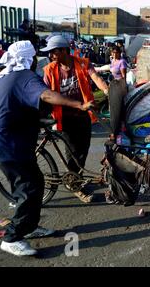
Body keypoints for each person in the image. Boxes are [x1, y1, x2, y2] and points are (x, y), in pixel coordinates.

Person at [0, 41, 94, 257]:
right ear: (29, 59)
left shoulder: (5, 75)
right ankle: (12, 237)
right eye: (34, 57)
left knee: (33, 185)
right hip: (11, 145)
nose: (36, 61)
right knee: (29, 189)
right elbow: (47, 95)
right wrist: (79, 105)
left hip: (9, 142)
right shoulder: (24, 77)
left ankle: (28, 227)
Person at [41, 35, 109, 203]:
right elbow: (45, 92)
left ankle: (75, 179)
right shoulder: (49, 69)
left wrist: (108, 91)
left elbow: (96, 78)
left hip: (83, 115)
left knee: (83, 150)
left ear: (63, 50)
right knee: (72, 153)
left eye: (53, 52)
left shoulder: (82, 63)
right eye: (50, 53)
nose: (51, 55)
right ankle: (74, 185)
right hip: (64, 117)